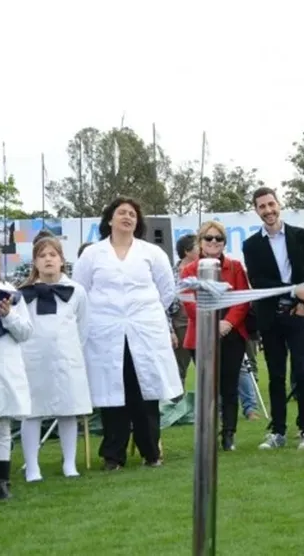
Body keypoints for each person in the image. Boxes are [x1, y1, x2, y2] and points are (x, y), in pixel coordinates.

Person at [72, 197, 184, 470]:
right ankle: (113, 455)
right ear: (109, 219)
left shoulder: (152, 253)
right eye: (121, 213)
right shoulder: (92, 254)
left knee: (145, 392)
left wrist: (145, 314)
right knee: (112, 392)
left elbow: (166, 291)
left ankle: (151, 451)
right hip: (105, 332)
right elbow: (80, 290)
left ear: (138, 221)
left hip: (144, 330)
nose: (127, 217)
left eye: (132, 214)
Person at [242, 187, 304, 450]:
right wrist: (290, 289)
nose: (268, 210)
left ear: (279, 205)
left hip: (299, 314)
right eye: (262, 207)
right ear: (256, 211)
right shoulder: (251, 245)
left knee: (303, 372)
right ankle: (277, 431)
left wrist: (302, 304)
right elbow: (259, 281)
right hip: (270, 316)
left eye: (271, 204)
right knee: (275, 375)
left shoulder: (300, 236)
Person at [18, 237, 93, 482]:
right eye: (42, 255)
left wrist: (71, 351)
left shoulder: (76, 291)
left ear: (62, 260)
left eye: (53, 254)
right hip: (33, 360)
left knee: (68, 411)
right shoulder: (23, 294)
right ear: (35, 263)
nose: (48, 259)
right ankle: (32, 467)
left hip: (67, 360)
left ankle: (69, 463)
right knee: (32, 412)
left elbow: (83, 327)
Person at [181, 221, 251, 451]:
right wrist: (212, 323)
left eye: (218, 238)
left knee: (229, 387)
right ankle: (207, 434)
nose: (213, 242)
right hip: (200, 336)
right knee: (206, 388)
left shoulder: (235, 267)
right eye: (208, 238)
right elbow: (190, 304)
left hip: (231, 335)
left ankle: (228, 434)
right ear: (200, 242)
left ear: (224, 242)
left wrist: (228, 322)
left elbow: (242, 300)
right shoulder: (189, 270)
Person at [0, 243, 33, 500]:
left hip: (4, 370)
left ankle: (2, 481)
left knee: (1, 426)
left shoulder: (12, 295)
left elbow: (26, 332)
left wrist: (8, 316)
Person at [169, 234, 199, 389]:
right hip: (180, 323)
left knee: (207, 368)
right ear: (187, 251)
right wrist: (170, 331)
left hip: (202, 323)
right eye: (197, 246)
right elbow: (164, 303)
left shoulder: (204, 270)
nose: (202, 249)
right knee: (178, 369)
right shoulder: (171, 273)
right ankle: (176, 407)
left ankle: (213, 407)